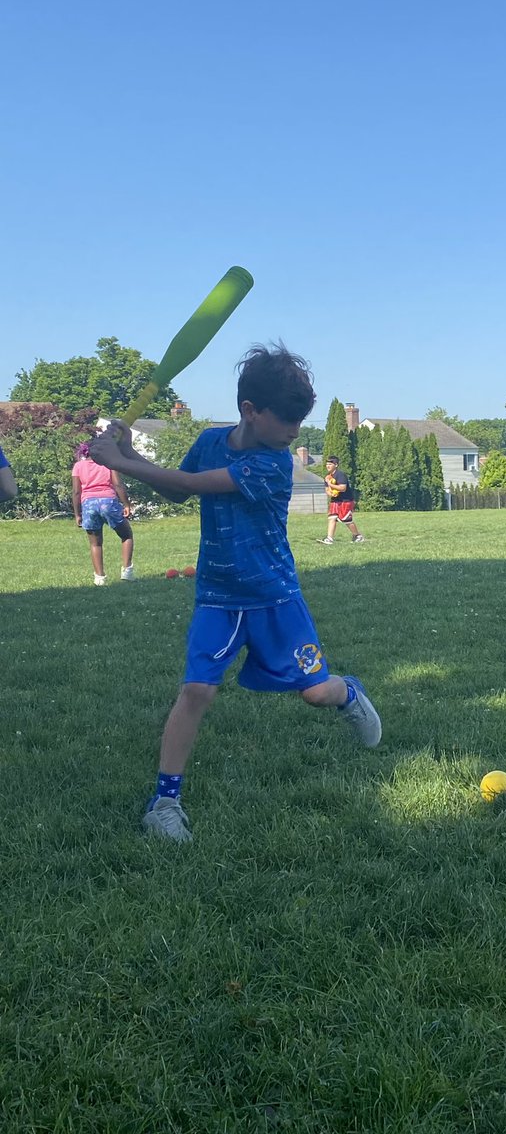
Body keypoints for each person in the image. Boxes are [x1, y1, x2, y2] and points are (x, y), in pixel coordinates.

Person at [88, 344, 381, 842]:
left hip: (274, 597)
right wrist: (129, 452)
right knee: (197, 690)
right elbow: (178, 489)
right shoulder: (209, 441)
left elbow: (191, 482)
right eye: (287, 419)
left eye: (299, 420)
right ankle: (165, 800)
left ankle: (348, 693)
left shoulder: (274, 464)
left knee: (314, 692)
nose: (295, 431)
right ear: (250, 410)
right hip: (218, 597)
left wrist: (120, 458)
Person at [71, 440, 135, 584]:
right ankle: (127, 571)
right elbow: (118, 484)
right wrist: (126, 504)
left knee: (95, 543)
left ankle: (100, 578)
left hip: (89, 504)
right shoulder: (108, 464)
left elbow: (76, 492)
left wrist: (77, 514)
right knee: (126, 535)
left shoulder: (78, 466)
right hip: (108, 502)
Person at [320, 453, 364, 544]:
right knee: (332, 518)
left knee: (345, 519)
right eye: (327, 464)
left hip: (346, 500)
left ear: (336, 465)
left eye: (330, 464)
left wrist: (330, 484)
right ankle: (329, 539)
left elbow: (342, 488)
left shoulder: (340, 475)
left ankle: (357, 536)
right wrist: (330, 493)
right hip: (335, 501)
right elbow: (327, 490)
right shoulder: (328, 477)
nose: (328, 466)